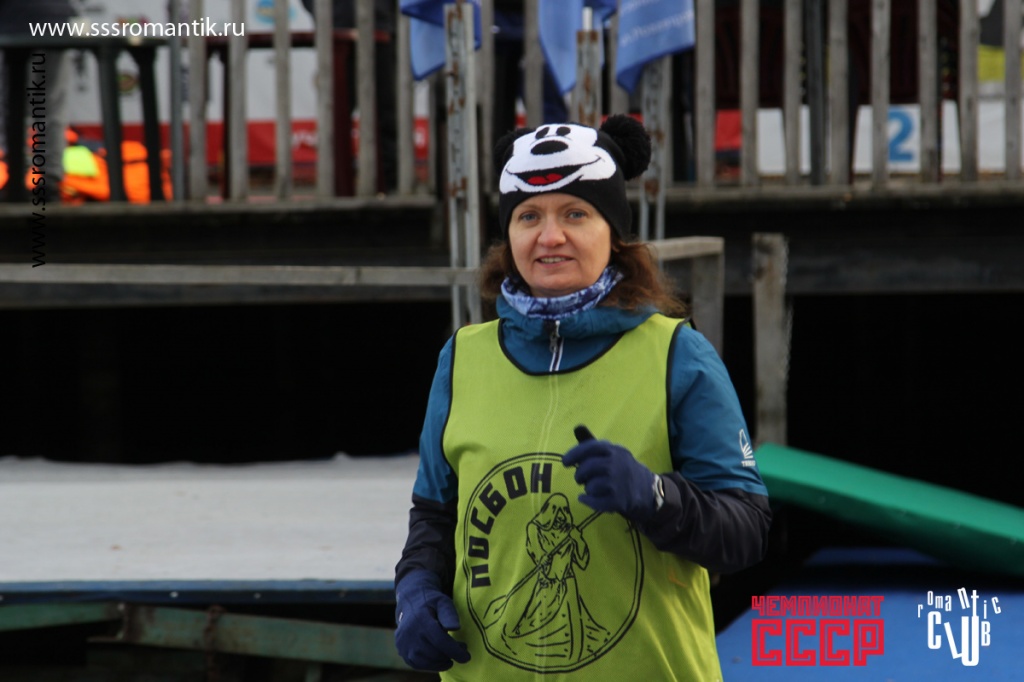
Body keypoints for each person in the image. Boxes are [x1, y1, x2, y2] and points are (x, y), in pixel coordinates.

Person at [394, 114, 771, 680]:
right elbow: (434, 514)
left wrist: (655, 496)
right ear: (509, 236)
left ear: (613, 234)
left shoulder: (677, 355)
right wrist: (415, 587)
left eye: (575, 213)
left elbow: (747, 530)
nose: (550, 237)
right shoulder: (462, 358)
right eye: (528, 216)